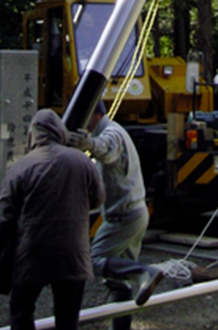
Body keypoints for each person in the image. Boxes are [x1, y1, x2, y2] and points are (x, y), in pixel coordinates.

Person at [0, 109, 104, 330]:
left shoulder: (20, 167)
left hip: (32, 253)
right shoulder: (82, 162)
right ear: (60, 132)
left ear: (33, 134)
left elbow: (3, 218)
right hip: (73, 253)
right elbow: (98, 199)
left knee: (21, 311)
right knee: (68, 318)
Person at [68, 102, 163, 330]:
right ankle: (122, 326)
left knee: (93, 260)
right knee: (119, 282)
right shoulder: (116, 130)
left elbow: (106, 149)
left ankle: (145, 272)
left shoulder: (111, 133)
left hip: (123, 216)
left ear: (94, 115)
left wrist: (88, 143)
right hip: (133, 213)